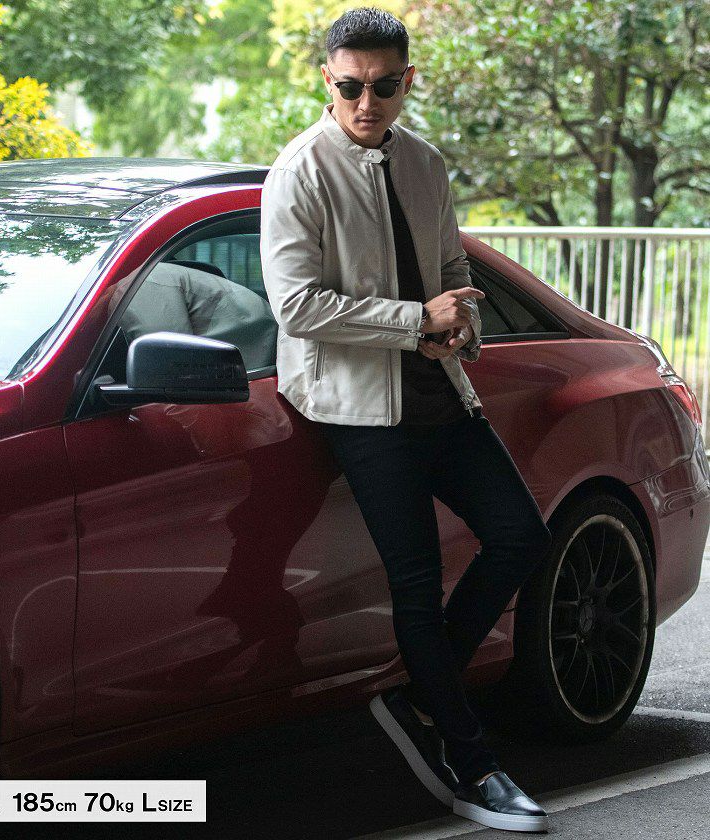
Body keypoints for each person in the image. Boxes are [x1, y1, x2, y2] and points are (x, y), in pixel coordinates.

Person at [259, 6, 553, 834]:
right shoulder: (299, 173)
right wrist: (413, 320)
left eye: (385, 86)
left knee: (521, 538)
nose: (367, 103)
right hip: (358, 408)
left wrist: (462, 326)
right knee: (417, 586)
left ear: (408, 81)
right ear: (327, 80)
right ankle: (472, 763)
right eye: (351, 87)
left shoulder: (423, 163)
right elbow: (296, 306)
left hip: (439, 392)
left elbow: (451, 267)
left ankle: (424, 692)